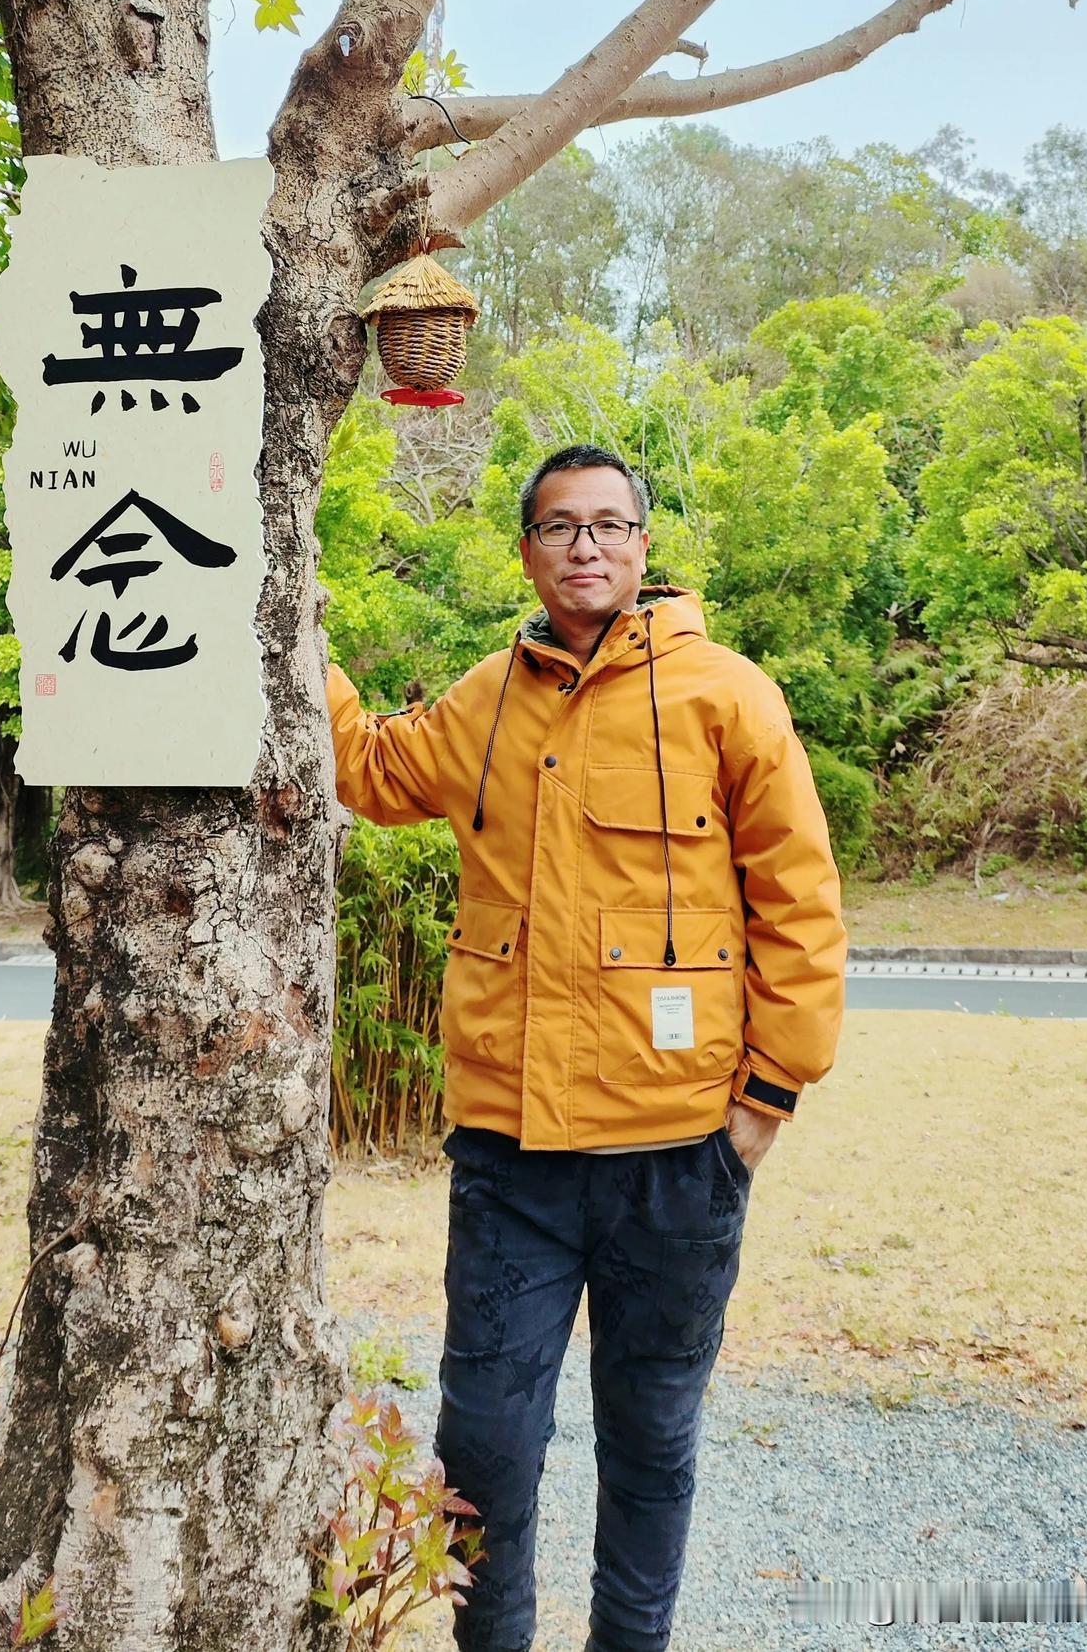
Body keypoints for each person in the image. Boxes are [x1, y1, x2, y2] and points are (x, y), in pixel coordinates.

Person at [326, 443, 846, 1652]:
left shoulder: (726, 694)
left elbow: (800, 900)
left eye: (610, 525)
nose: (585, 547)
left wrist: (767, 1095)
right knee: (485, 1444)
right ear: (526, 550)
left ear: (643, 547)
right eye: (559, 526)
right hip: (512, 1156)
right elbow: (376, 766)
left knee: (650, 1437)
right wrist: (299, 635)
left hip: (678, 1155)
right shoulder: (487, 695)